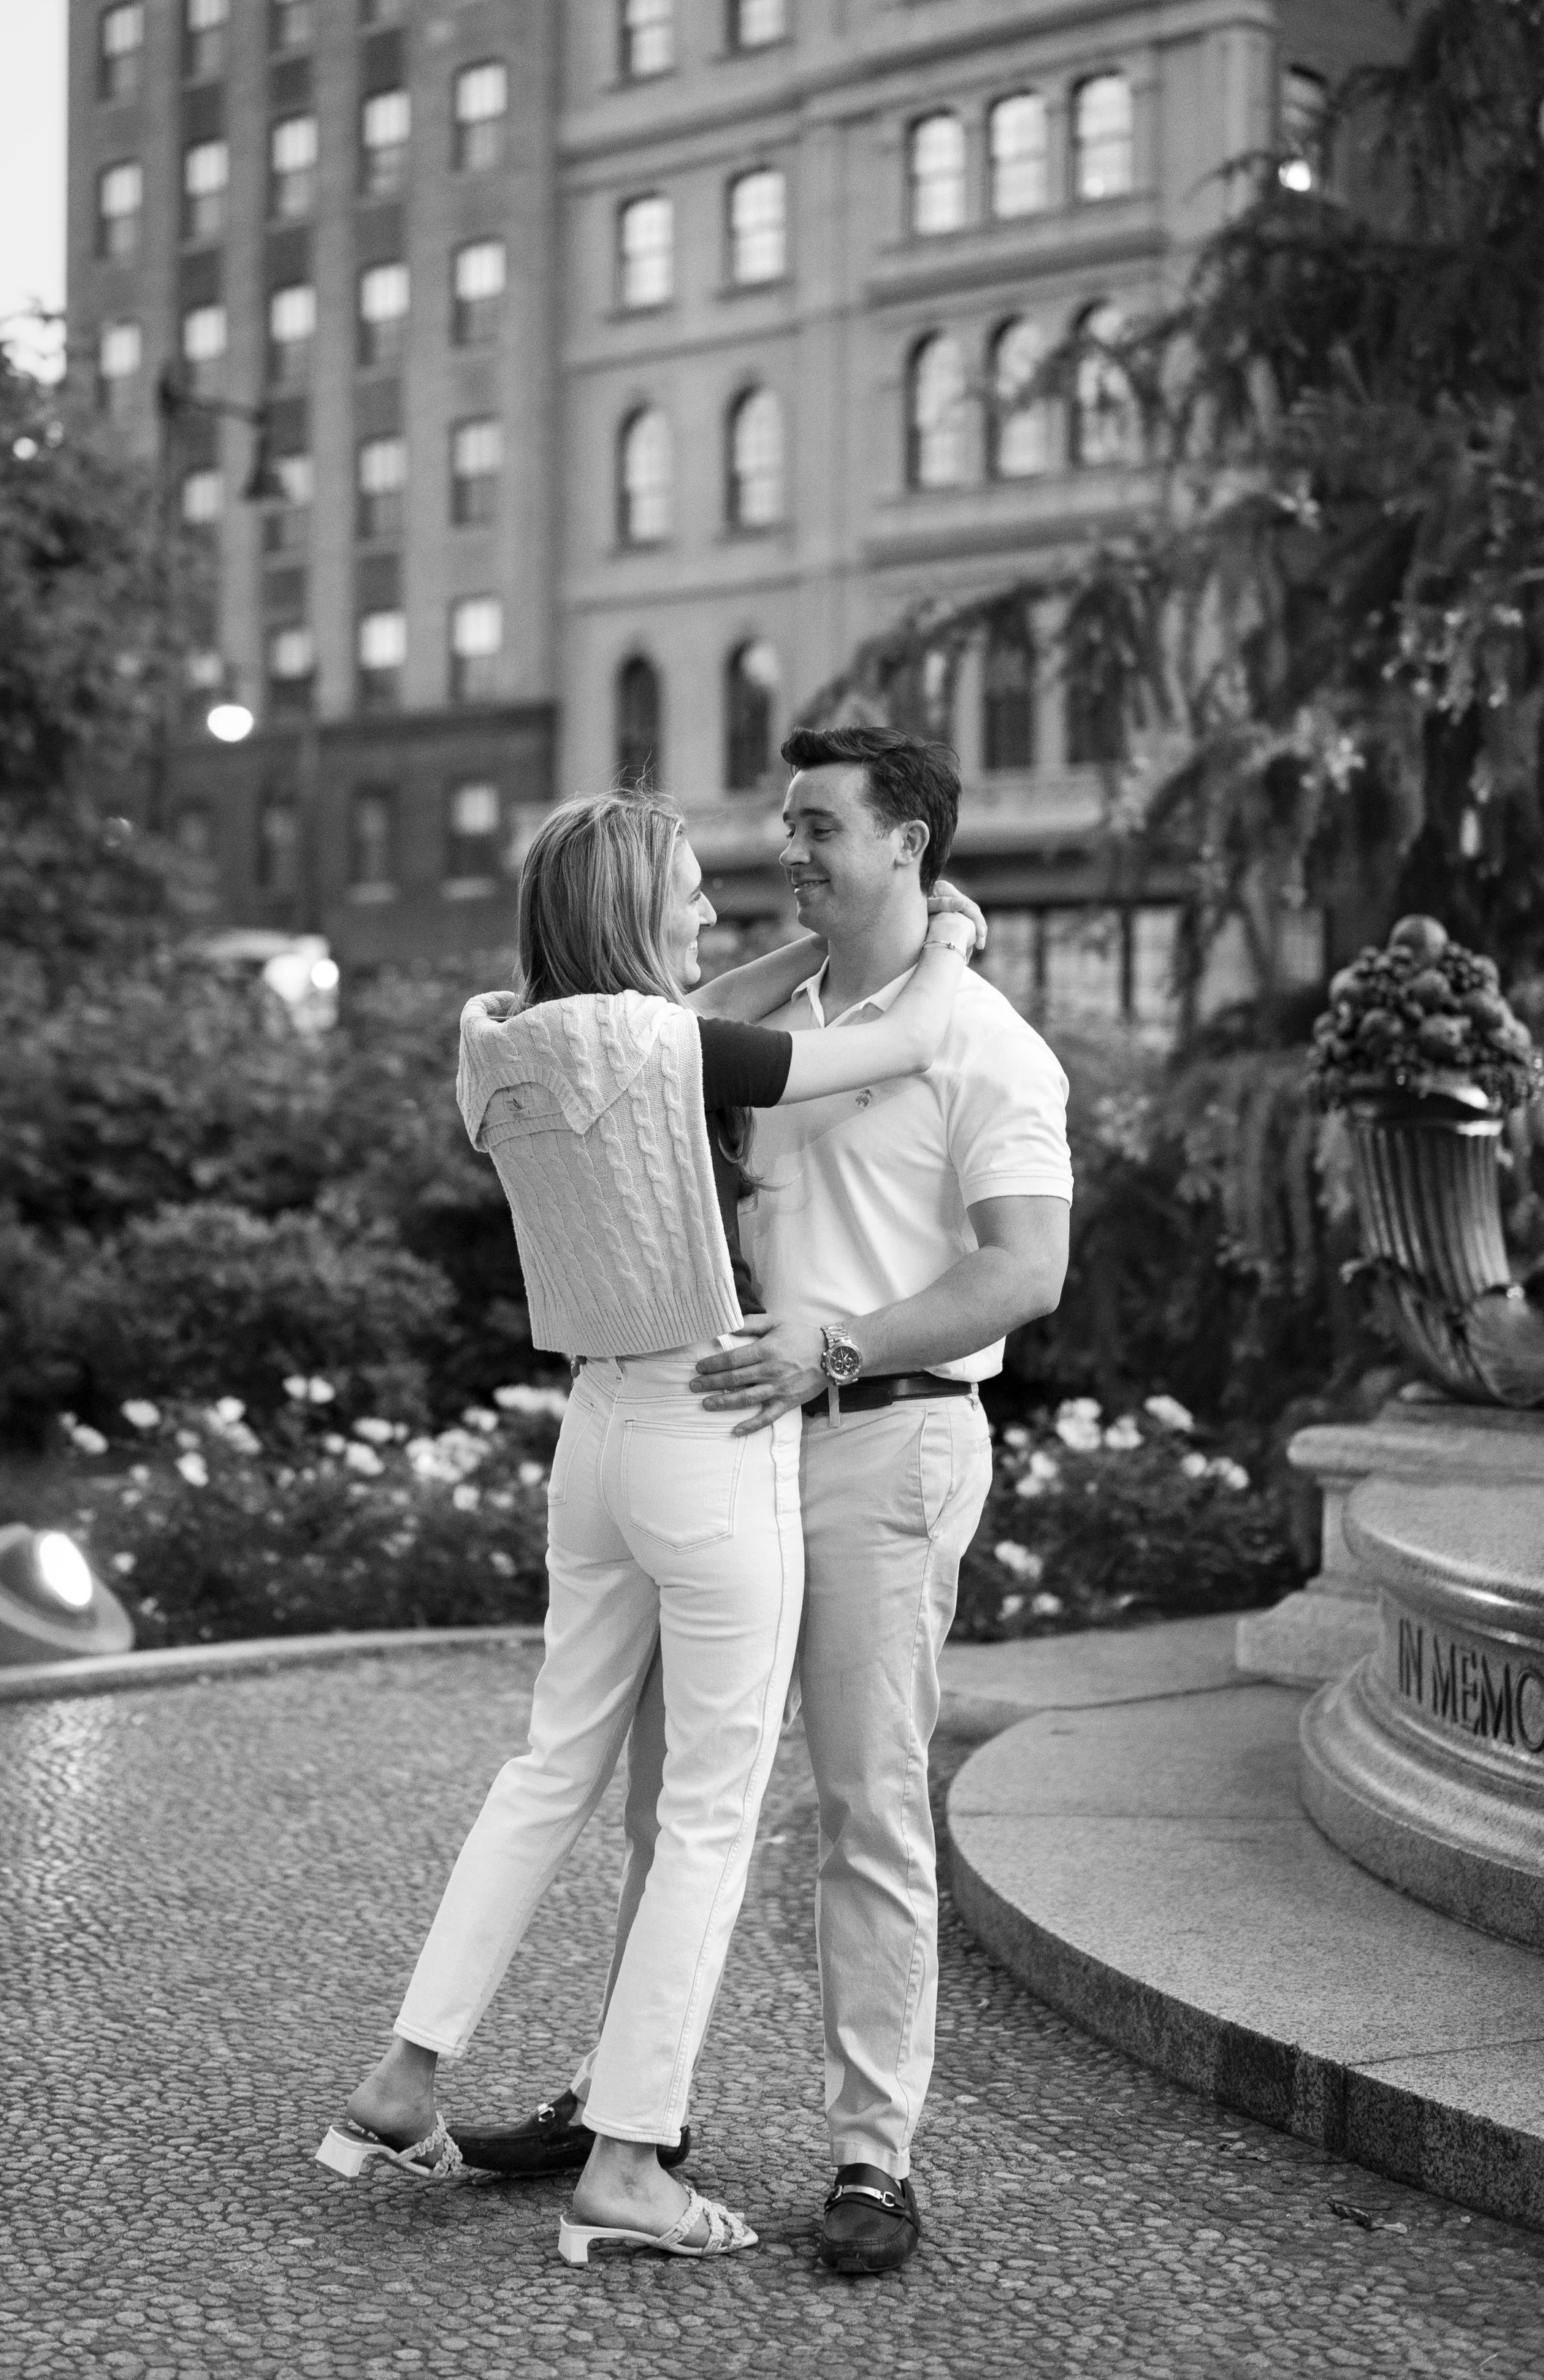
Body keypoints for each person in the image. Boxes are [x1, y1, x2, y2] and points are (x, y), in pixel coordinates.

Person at [319, 786, 987, 2266]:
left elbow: (685, 1006)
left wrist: (738, 967)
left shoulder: (500, 1038)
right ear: (634, 914)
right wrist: (943, 935)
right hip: (707, 1430)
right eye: (687, 892)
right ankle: (627, 2162)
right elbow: (891, 1042)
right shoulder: (664, 1044)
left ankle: (401, 2074)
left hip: (594, 1439)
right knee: (706, 1811)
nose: (711, 916)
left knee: (548, 1765)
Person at [456, 728, 1071, 2278]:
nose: (780, 847)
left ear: (908, 842)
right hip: (726, 1440)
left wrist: (842, 1341)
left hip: (882, 1439)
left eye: (816, 827)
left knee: (866, 1809)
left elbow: (1024, 1271)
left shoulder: (988, 1045)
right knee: (672, 1804)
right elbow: (652, 1021)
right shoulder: (751, 1015)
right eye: (781, 822)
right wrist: (878, 936)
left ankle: (871, 2160)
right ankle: (628, 2116)